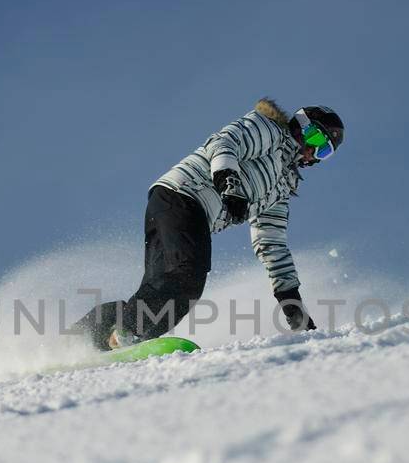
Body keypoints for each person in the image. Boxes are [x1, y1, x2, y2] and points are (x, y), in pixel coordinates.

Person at [75, 98, 345, 350]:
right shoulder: (270, 129)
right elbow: (226, 142)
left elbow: (271, 243)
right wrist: (228, 182)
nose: (313, 152)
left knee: (164, 287)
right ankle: (127, 334)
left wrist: (292, 305)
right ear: (301, 125)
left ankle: (87, 338)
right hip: (183, 194)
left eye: (325, 151)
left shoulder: (282, 187)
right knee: (187, 277)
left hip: (183, 211)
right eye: (317, 138)